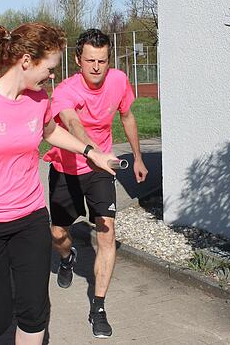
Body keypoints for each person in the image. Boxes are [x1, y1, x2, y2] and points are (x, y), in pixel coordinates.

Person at [0, 23, 119, 345]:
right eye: (49, 68)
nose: (51, 76)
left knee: (34, 315)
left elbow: (49, 132)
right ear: (25, 61)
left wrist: (92, 153)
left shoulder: (38, 99)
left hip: (29, 219)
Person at [43, 29, 148, 339]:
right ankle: (67, 257)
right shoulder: (64, 90)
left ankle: (98, 307)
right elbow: (72, 123)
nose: (96, 67)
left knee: (107, 232)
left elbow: (127, 116)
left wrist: (138, 158)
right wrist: (92, 151)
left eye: (102, 60)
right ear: (78, 60)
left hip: (101, 170)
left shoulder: (118, 81)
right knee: (58, 233)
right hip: (67, 168)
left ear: (109, 60)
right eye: (90, 60)